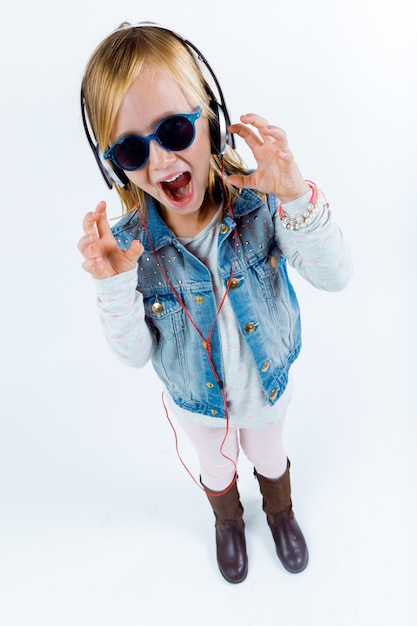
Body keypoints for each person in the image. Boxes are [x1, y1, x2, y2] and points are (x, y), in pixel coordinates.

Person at [78, 22, 352, 584]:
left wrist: (296, 196)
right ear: (115, 165)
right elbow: (133, 356)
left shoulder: (258, 205)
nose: (158, 162)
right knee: (215, 465)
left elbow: (336, 276)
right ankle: (228, 520)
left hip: (267, 387)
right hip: (197, 405)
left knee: (269, 454)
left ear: (212, 120)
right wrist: (113, 284)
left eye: (175, 129)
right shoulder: (133, 249)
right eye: (131, 147)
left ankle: (280, 509)